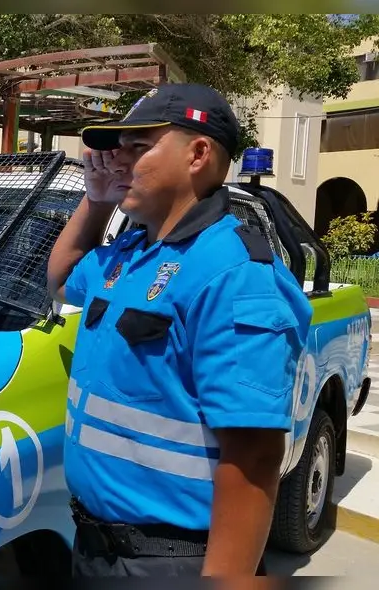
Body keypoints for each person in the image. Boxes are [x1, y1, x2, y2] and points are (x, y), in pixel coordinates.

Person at [45, 83, 313, 577]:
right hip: (97, 548)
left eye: (138, 147)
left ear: (198, 154)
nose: (118, 161)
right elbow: (61, 282)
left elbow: (254, 457)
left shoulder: (231, 271)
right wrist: (97, 201)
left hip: (168, 563)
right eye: (117, 149)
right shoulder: (130, 253)